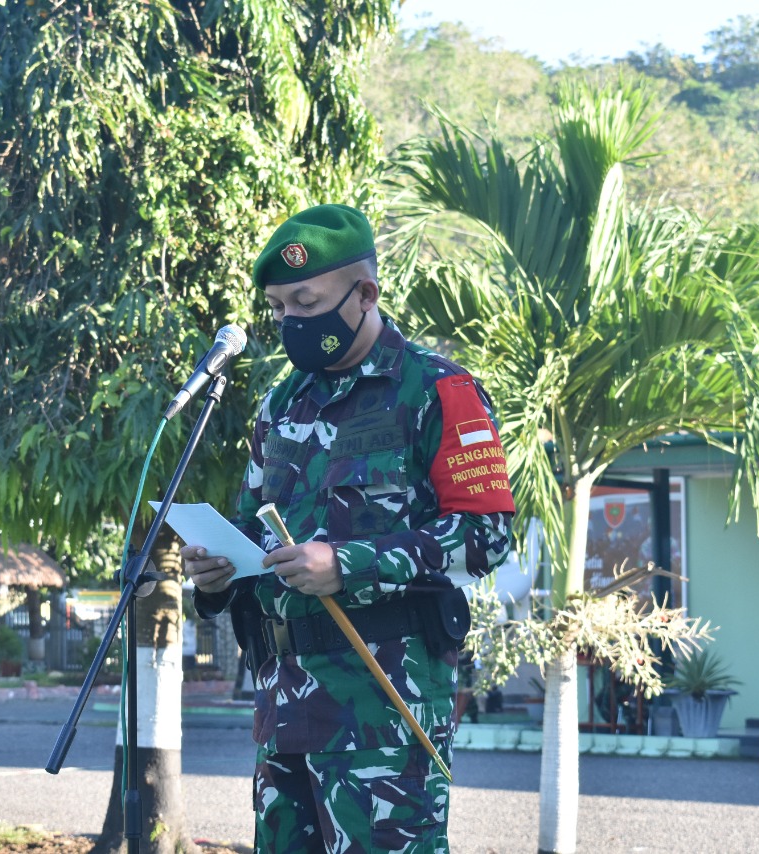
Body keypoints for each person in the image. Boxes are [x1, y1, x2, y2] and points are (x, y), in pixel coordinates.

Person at [182, 203, 514, 853]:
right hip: (284, 703)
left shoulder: (435, 390)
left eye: (305, 301)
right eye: (277, 308)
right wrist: (219, 569)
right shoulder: (280, 405)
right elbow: (255, 525)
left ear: (365, 293)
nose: (289, 322)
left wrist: (348, 562)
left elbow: (486, 536)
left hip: (383, 707)